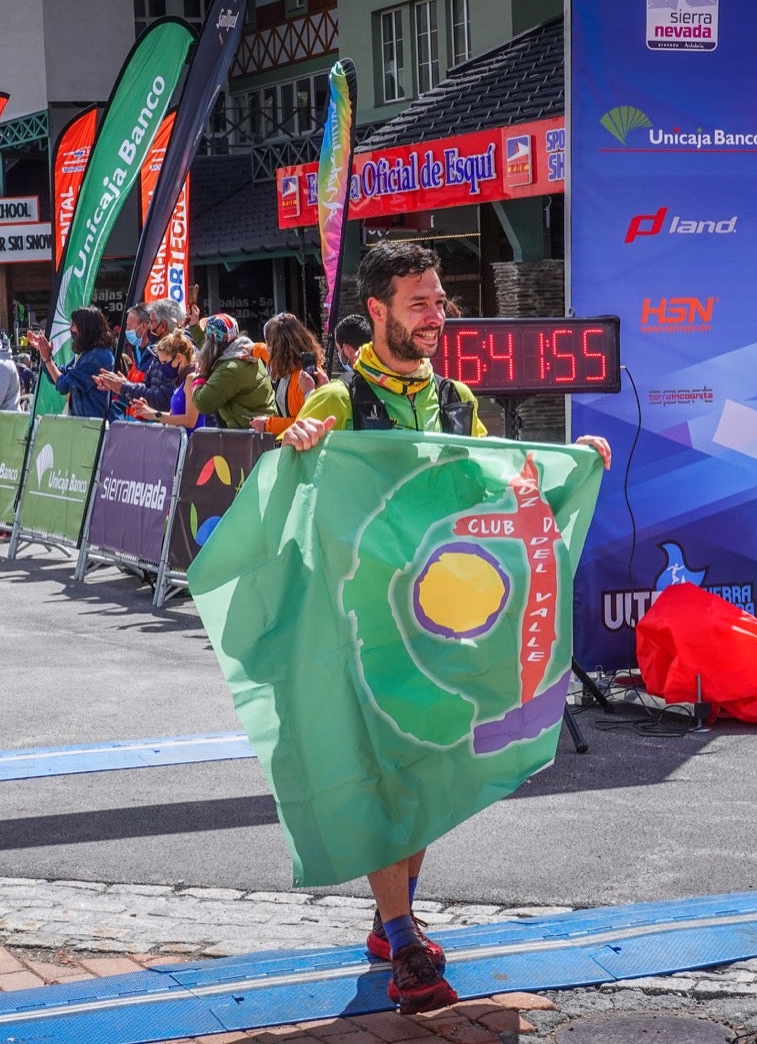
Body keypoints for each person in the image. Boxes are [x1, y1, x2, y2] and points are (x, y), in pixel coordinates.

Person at [280, 241, 611, 1015]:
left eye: (439, 302)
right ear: (378, 313)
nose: (436, 317)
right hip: (360, 628)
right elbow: (289, 498)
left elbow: (501, 484)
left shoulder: (458, 398)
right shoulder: (335, 401)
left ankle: (388, 914)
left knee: (423, 773)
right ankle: (403, 941)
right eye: (419, 304)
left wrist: (573, 461)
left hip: (440, 625)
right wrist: (297, 445)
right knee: (385, 777)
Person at [27, 306, 120, 419]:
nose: (71, 329)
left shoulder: (97, 357)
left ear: (85, 328)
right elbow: (60, 374)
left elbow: (64, 384)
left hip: (98, 425)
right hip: (86, 423)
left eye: (74, 325)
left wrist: (47, 359)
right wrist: (44, 353)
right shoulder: (85, 353)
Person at [188, 314, 274, 429]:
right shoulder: (242, 350)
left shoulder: (229, 369)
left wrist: (200, 375)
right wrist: (194, 325)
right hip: (258, 429)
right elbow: (209, 347)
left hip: (252, 436)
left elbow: (203, 403)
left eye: (207, 336)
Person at [95, 300, 182, 411]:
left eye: (151, 322)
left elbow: (164, 400)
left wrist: (123, 386)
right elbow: (145, 389)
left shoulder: (173, 356)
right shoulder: (154, 354)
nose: (149, 327)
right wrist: (119, 387)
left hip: (157, 425)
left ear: (163, 326)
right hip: (141, 424)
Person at [252, 312, 327, 436]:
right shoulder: (288, 367)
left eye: (269, 344)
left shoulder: (306, 378)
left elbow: (306, 423)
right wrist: (252, 349)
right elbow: (264, 352)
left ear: (279, 349)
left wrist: (268, 424)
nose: (267, 347)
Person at [125, 331, 201, 429]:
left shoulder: (191, 378)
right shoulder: (180, 381)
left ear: (178, 357)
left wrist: (154, 414)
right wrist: (148, 410)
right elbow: (173, 417)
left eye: (165, 362)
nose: (163, 367)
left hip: (192, 442)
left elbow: (190, 421)